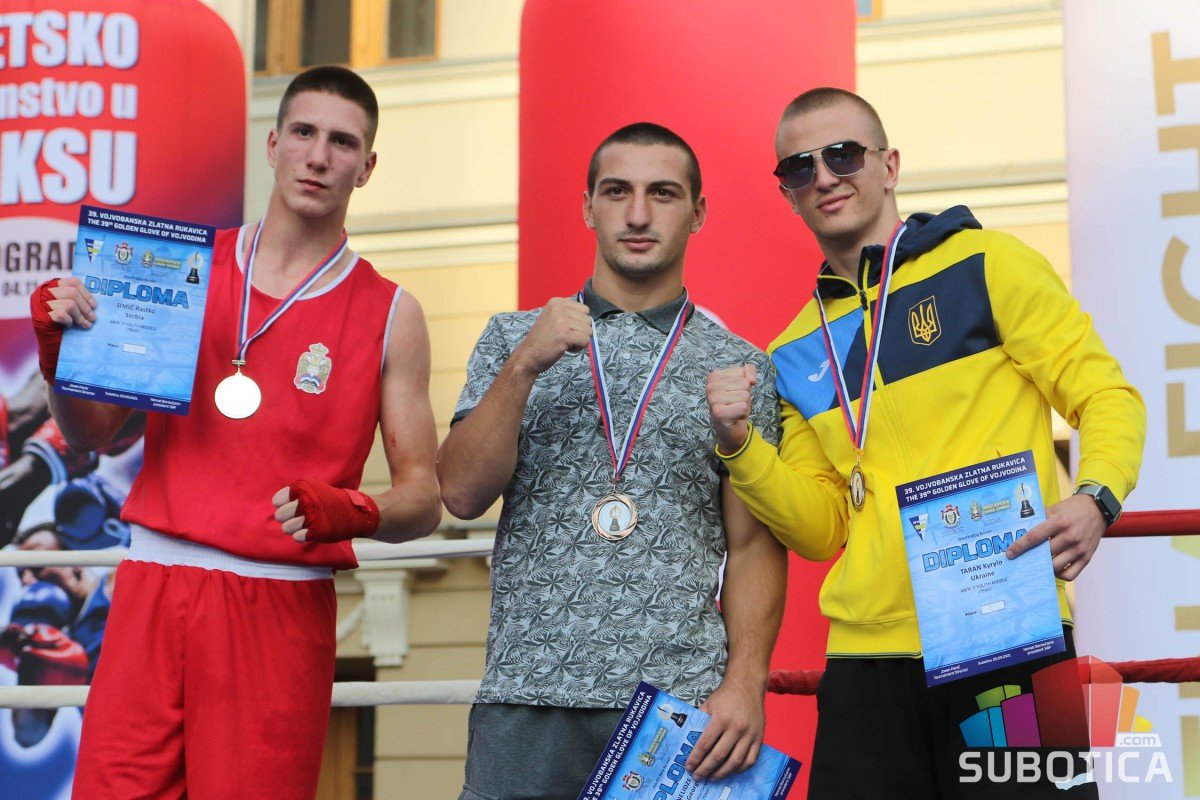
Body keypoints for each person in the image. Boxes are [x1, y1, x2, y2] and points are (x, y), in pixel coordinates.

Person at [706, 87, 1145, 798]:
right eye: (799, 166)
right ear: (787, 194)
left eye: (844, 154)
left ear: (889, 166)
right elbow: (821, 530)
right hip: (867, 658)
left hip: (1009, 631)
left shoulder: (988, 263)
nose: (824, 176)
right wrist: (740, 447)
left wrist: (1097, 497)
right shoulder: (796, 347)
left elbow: (1105, 396)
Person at [30, 65, 441, 798]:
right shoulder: (178, 271)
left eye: (342, 142)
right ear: (274, 144)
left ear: (367, 167)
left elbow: (424, 498)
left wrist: (356, 511)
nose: (319, 156)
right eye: (305, 133)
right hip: (154, 585)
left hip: (280, 606)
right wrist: (60, 356)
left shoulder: (390, 312)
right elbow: (89, 434)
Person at [439, 122, 787, 800]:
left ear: (698, 212)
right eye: (617, 191)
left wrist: (746, 682)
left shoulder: (741, 366)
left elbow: (754, 546)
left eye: (663, 193)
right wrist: (524, 367)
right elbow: (458, 492)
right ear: (587, 207)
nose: (637, 214)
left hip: (676, 706)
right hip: (526, 694)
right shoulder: (513, 338)